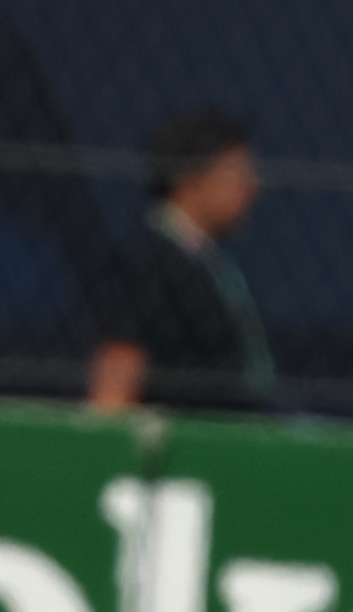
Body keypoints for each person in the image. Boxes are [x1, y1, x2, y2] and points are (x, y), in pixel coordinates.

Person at [87, 108, 276, 413]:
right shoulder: (145, 261)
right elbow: (114, 386)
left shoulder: (206, 262)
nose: (253, 186)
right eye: (238, 171)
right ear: (191, 178)